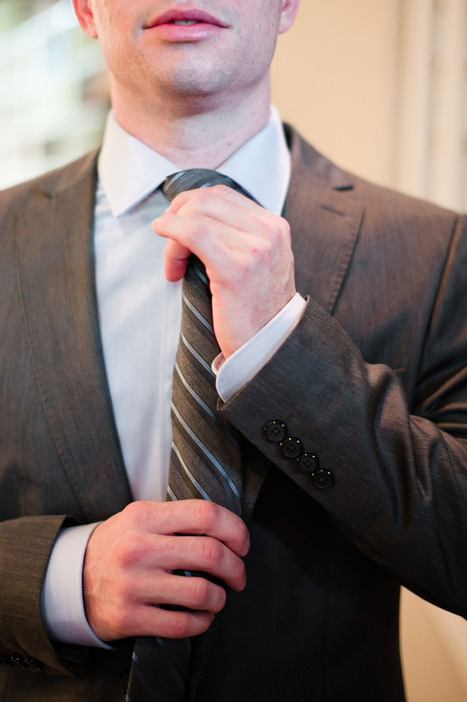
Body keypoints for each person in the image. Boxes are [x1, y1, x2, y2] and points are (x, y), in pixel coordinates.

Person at [0, 0, 466, 700]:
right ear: (87, 10)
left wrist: (282, 345)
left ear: (285, 4)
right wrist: (57, 580)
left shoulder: (436, 253)